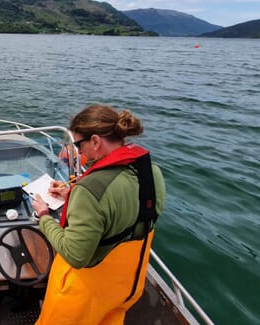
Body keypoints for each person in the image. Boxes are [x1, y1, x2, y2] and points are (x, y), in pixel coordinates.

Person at [31, 104, 166, 325]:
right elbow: (125, 212)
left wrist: (44, 216)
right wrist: (71, 196)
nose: (78, 152)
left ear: (95, 141)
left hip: (83, 298)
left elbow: (76, 255)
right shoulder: (152, 172)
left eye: (78, 145)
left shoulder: (89, 191)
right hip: (126, 287)